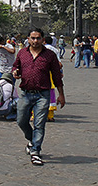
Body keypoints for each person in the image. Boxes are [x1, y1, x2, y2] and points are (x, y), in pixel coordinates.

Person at [12, 27, 65, 166]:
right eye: (33, 38)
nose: (35, 41)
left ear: (43, 39)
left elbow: (56, 75)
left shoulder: (50, 55)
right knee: (21, 121)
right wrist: (15, 72)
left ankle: (35, 151)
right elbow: (15, 66)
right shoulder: (22, 53)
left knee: (39, 124)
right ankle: (31, 140)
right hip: (25, 93)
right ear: (28, 39)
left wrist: (61, 95)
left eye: (38, 38)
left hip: (43, 94)